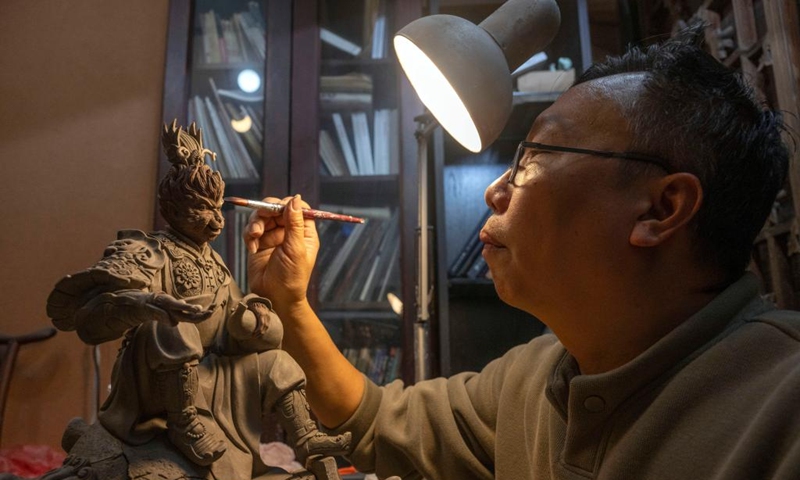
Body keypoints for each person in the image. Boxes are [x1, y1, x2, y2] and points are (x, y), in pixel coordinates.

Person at [243, 26, 800, 480]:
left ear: (660, 210)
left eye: (533, 158)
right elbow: (373, 421)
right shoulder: (536, 376)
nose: (495, 191)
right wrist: (289, 303)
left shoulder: (780, 412)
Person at [47, 121, 350, 480]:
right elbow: (90, 319)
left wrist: (252, 318)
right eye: (202, 210)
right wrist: (148, 305)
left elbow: (235, 325)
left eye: (218, 208)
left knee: (275, 362)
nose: (216, 221)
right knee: (174, 328)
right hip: (157, 384)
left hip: (216, 377)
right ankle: (183, 422)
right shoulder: (148, 251)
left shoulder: (214, 262)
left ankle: (307, 437)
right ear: (173, 210)